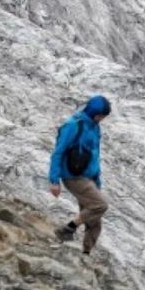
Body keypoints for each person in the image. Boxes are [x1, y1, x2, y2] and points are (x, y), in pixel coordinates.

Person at [49, 94, 111, 254]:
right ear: (94, 113)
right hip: (73, 176)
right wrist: (54, 180)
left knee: (94, 221)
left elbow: (94, 155)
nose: (101, 119)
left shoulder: (95, 127)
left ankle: (85, 253)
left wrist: (97, 181)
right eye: (101, 116)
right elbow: (58, 152)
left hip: (88, 177)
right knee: (100, 205)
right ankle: (68, 228)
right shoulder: (73, 125)